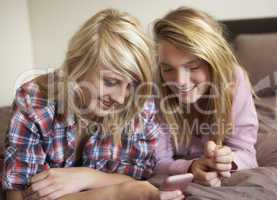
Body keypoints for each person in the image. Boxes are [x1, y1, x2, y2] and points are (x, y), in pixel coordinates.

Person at [2, 9, 183, 200]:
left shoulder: (138, 103)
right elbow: (19, 195)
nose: (121, 99)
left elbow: (140, 176)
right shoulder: (34, 101)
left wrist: (86, 178)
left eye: (131, 85)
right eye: (111, 82)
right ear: (77, 66)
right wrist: (117, 192)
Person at [153, 7, 258, 188]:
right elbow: (154, 160)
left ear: (214, 63)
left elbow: (246, 152)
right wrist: (191, 166)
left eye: (192, 67)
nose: (180, 82)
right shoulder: (155, 86)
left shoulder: (234, 78)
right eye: (168, 68)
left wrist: (226, 160)